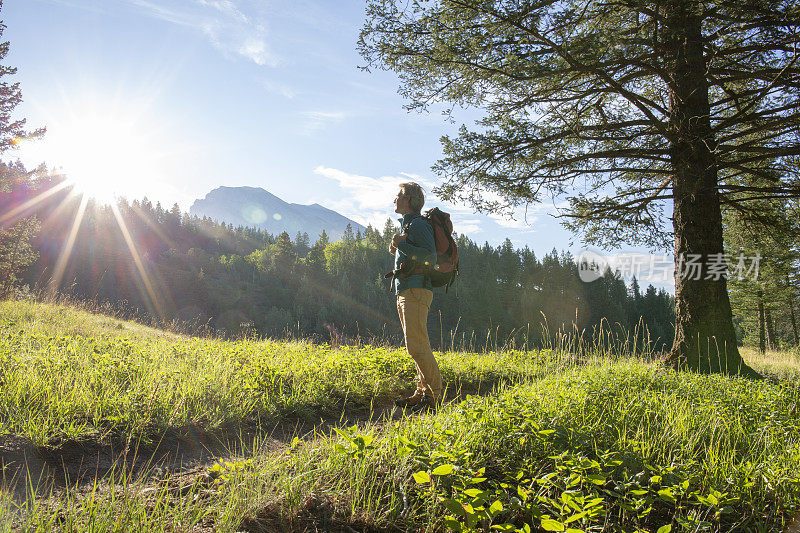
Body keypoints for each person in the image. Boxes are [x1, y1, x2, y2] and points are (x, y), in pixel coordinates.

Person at [389, 182, 442, 411]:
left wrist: (404, 246)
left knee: (417, 346)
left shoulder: (418, 225)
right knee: (416, 345)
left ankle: (433, 397)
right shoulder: (409, 226)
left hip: (416, 290)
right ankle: (421, 392)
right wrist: (399, 246)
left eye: (398, 196)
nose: (394, 200)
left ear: (409, 199)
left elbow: (431, 257)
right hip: (407, 289)